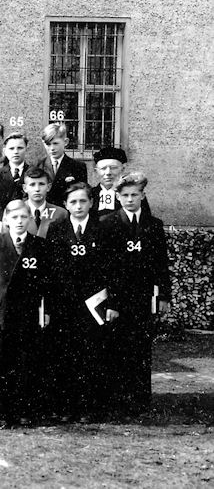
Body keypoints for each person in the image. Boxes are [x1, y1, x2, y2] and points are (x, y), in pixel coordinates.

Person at [99, 172, 171, 417]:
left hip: (142, 297)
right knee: (116, 348)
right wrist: (111, 301)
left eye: (134, 195)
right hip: (118, 298)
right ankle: (117, 401)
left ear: (143, 196)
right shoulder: (108, 223)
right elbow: (106, 267)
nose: (130, 199)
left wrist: (163, 296)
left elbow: (161, 263)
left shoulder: (153, 225)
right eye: (125, 195)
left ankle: (141, 401)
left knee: (141, 349)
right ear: (117, 197)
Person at [0, 199, 53, 426]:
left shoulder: (39, 244)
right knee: (5, 360)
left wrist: (46, 310)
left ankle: (25, 409)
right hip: (4, 311)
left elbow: (47, 282)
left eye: (23, 217)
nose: (19, 222)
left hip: (30, 312)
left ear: (30, 219)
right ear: (6, 220)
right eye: (14, 217)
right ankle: (5, 411)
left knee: (27, 361)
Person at [46, 182, 111, 423]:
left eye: (83, 201)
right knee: (64, 354)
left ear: (91, 203)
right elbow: (52, 268)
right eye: (73, 202)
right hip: (65, 303)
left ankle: (88, 406)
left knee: (90, 354)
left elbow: (109, 268)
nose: (78, 206)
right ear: (65, 204)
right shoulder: (57, 228)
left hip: (93, 303)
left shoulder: (101, 228)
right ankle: (65, 406)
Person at [90, 147, 152, 218]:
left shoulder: (134, 194)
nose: (108, 173)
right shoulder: (90, 194)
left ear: (123, 169)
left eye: (113, 168)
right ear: (96, 171)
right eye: (103, 168)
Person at [38, 122, 88, 205]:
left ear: (66, 142)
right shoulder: (38, 165)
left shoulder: (78, 167)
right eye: (48, 144)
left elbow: (82, 194)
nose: (52, 148)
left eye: (55, 143)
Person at [0, 132, 29, 225]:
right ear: (5, 150)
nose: (16, 152)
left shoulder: (32, 173)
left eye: (20, 148)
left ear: (26, 149)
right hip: (2, 224)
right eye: (11, 148)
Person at [22, 167, 68, 239]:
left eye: (41, 184)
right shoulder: (17, 211)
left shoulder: (60, 213)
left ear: (48, 187)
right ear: (25, 188)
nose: (37, 189)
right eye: (32, 184)